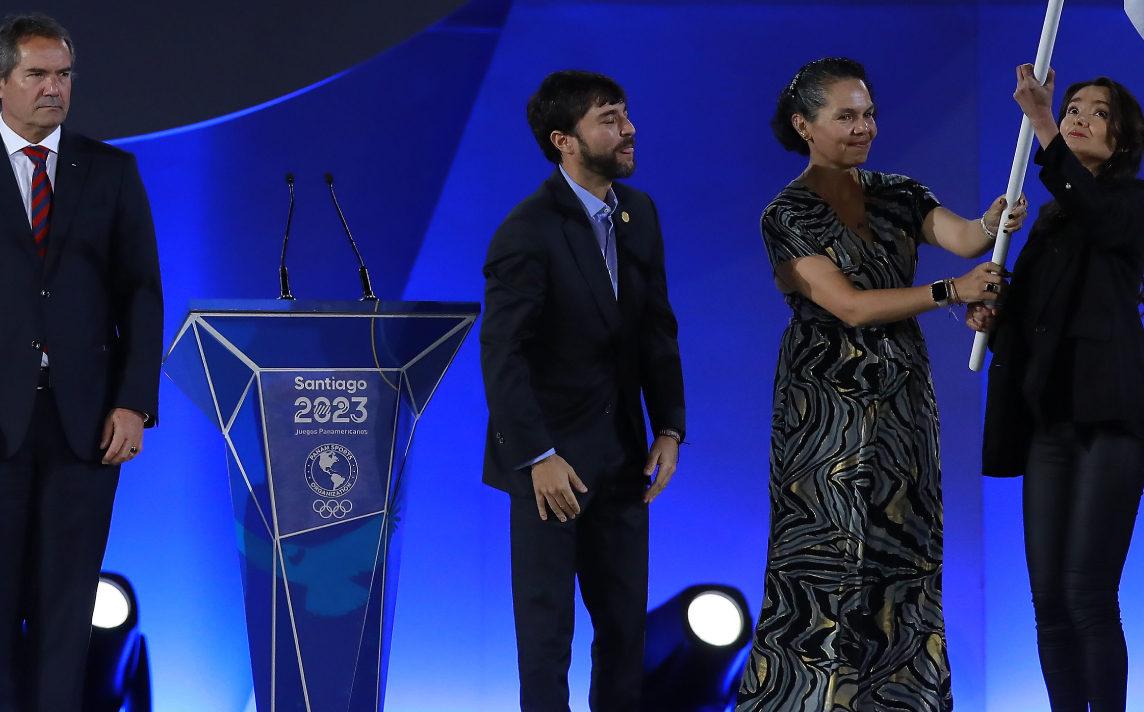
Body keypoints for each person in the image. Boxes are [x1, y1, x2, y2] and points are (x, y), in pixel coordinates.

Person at [736, 57, 1025, 712]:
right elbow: (850, 306)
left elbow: (962, 237)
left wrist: (993, 222)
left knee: (905, 557)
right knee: (823, 560)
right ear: (804, 126)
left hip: (901, 403)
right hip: (825, 409)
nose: (864, 127)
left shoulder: (899, 192)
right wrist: (951, 292)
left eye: (868, 114)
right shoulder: (786, 214)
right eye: (846, 116)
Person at [0, 14, 162, 712]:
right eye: (37, 74)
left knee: (67, 618)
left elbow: (140, 294)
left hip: (87, 427)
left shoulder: (111, 171)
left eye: (64, 74)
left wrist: (134, 403)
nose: (54, 88)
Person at [479, 70, 686, 712]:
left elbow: (656, 329)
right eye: (609, 119)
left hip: (623, 459)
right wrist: (537, 456)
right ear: (563, 140)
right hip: (552, 468)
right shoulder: (527, 229)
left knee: (624, 634)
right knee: (547, 643)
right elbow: (503, 353)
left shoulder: (639, 213)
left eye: (625, 114)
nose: (629, 130)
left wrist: (670, 427)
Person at [968, 66, 1144, 712]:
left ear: (1123, 139)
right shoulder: (1048, 219)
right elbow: (1038, 318)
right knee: (1048, 603)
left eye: (1097, 112)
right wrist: (995, 312)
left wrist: (1043, 124)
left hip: (1109, 423)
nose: (1078, 117)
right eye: (1071, 108)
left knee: (1087, 596)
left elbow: (1102, 220)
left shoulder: (1130, 204)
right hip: (1049, 422)